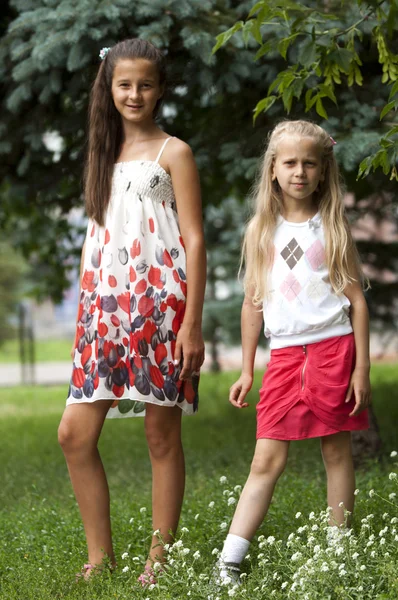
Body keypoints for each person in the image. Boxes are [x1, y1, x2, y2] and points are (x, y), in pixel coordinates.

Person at [57, 38, 206, 584]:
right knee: (74, 433)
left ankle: (159, 562)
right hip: (102, 313)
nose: (135, 93)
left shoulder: (174, 153)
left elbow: (193, 238)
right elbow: (94, 240)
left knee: (161, 437)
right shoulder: (100, 154)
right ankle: (101, 558)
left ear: (160, 88)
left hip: (160, 310)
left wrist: (192, 322)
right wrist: (84, 312)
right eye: (125, 84)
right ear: (110, 87)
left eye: (145, 84)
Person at [217, 120, 371, 583]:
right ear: (273, 170)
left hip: (334, 350)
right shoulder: (261, 231)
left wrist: (361, 368)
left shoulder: (332, 228)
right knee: (266, 458)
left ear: (323, 171)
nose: (299, 171)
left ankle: (339, 555)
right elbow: (252, 303)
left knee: (336, 452)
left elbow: (357, 300)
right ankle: (229, 564)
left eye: (309, 163)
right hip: (284, 358)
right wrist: (247, 369)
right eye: (290, 163)